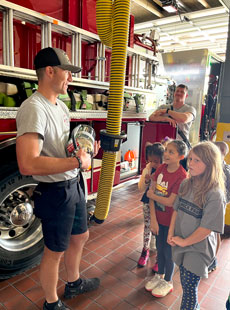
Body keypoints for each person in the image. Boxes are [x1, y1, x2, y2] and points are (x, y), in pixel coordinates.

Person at [16, 47, 100, 310]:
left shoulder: (61, 107)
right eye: (67, 72)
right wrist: (77, 161)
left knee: (80, 236)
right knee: (54, 251)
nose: (70, 78)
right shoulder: (33, 108)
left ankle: (73, 282)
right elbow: (27, 163)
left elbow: (62, 147)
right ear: (50, 71)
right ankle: (51, 303)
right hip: (54, 191)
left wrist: (82, 151)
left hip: (73, 183)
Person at [168, 141, 226, 310]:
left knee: (188, 288)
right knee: (185, 282)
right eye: (190, 158)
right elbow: (176, 210)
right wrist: (171, 233)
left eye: (196, 160)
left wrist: (184, 242)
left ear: (209, 164)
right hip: (181, 241)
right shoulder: (187, 184)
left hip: (198, 248)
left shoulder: (215, 194)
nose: (190, 163)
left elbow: (206, 229)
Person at [145, 140, 187, 298]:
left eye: (171, 152)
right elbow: (151, 193)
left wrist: (153, 195)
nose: (166, 154)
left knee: (169, 252)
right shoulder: (161, 168)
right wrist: (153, 220)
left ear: (180, 156)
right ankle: (159, 276)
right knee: (160, 250)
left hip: (172, 223)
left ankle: (168, 281)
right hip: (158, 219)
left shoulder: (182, 176)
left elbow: (170, 201)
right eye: (166, 150)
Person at [137, 142, 165, 267]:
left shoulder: (167, 170)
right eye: (153, 161)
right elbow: (140, 188)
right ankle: (145, 250)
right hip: (148, 202)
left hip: (162, 204)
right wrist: (147, 180)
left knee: (159, 229)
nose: (156, 164)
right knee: (147, 227)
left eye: (159, 161)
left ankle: (160, 256)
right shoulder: (147, 169)